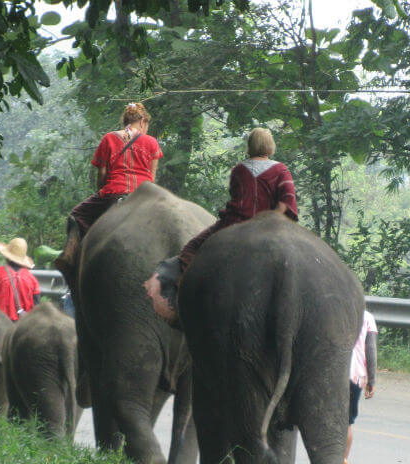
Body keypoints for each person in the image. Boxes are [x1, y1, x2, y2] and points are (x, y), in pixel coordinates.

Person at [144, 127, 297, 321]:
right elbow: (285, 204)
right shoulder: (281, 170)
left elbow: (237, 199)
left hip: (235, 223)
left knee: (190, 249)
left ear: (250, 146)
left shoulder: (239, 170)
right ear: (270, 146)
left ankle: (184, 294)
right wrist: (267, 222)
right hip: (271, 225)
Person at [55, 102, 162, 288]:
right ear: (143, 121)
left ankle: (69, 254)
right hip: (145, 195)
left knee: (77, 215)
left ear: (126, 120)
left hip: (114, 191)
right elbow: (151, 178)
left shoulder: (109, 138)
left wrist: (101, 190)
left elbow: (102, 174)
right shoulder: (151, 142)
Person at [344, 309, 378, 464]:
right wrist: (372, 379)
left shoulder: (338, 311)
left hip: (332, 373)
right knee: (347, 421)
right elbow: (370, 349)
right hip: (354, 375)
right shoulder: (367, 317)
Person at [0, 237, 41, 321]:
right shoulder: (32, 279)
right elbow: (36, 306)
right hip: (23, 324)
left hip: (0, 322)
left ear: (6, 256)